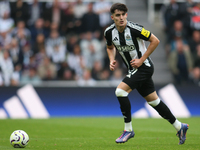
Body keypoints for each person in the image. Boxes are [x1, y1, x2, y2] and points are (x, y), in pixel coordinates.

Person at [104, 3, 189, 145]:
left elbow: (155, 40)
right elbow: (109, 46)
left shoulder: (135, 29)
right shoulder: (109, 32)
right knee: (154, 101)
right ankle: (179, 126)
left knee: (120, 92)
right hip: (134, 70)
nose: (121, 18)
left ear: (127, 14)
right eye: (117, 15)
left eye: (123, 14)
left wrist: (141, 60)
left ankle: (128, 130)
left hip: (144, 67)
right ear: (112, 17)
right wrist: (112, 59)